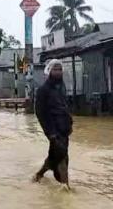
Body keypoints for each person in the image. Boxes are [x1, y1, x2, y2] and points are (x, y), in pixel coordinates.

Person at [33, 59, 73, 189]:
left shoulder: (62, 87)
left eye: (60, 69)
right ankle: (65, 186)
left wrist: (69, 123)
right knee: (62, 156)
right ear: (49, 71)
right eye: (55, 69)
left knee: (54, 156)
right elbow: (40, 112)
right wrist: (50, 132)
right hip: (53, 129)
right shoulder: (43, 90)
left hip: (64, 128)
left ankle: (39, 174)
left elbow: (64, 107)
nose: (58, 72)